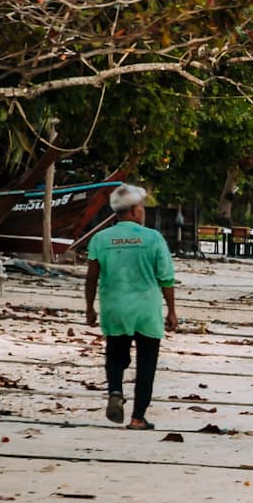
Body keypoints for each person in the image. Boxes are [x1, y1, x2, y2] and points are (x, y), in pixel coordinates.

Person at [83, 184, 179, 429]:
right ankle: (138, 417)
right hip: (146, 310)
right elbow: (166, 278)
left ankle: (115, 390)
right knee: (147, 363)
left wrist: (90, 308)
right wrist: (172, 311)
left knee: (115, 357)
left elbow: (91, 277)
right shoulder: (153, 238)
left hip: (114, 308)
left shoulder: (100, 239)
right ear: (135, 210)